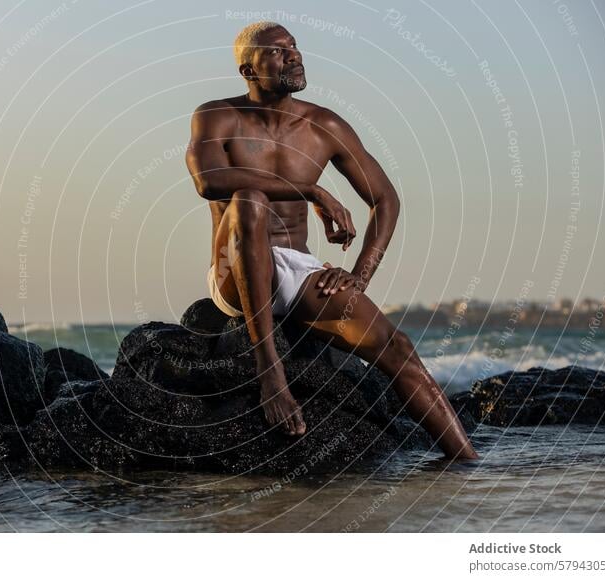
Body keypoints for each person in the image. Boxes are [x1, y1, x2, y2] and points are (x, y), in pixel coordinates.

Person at [185, 21, 478, 460]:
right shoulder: (217, 115)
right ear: (249, 70)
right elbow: (208, 182)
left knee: (395, 347)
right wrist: (310, 190)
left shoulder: (323, 125)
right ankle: (270, 369)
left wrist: (359, 277)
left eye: (294, 47)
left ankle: (467, 464)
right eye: (277, 52)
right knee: (249, 199)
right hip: (236, 270)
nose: (294, 56)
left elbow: (385, 199)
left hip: (300, 272)